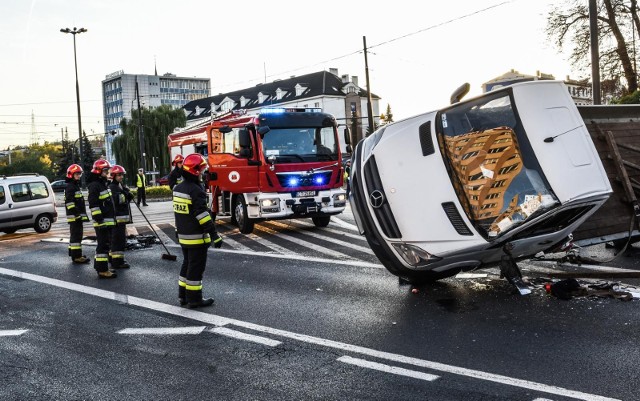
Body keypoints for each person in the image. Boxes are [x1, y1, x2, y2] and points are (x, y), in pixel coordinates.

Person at [173, 153, 222, 308]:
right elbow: (202, 216)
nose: (202, 173)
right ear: (195, 171)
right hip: (196, 237)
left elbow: (180, 213)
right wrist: (214, 235)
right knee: (196, 268)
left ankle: (183, 296)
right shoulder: (195, 190)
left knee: (187, 265)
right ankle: (194, 299)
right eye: (201, 170)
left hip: (183, 236)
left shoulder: (178, 188)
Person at [87, 159, 117, 279]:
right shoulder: (95, 186)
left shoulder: (102, 184)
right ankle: (102, 270)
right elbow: (93, 204)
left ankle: (101, 267)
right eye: (105, 171)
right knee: (103, 245)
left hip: (106, 220)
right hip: (102, 221)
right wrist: (99, 220)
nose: (107, 173)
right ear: (99, 171)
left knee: (105, 244)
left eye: (107, 171)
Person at [108, 165, 133, 269]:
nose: (121, 177)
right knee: (118, 241)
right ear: (113, 176)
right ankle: (118, 262)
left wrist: (126, 192)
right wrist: (126, 194)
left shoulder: (119, 186)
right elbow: (118, 201)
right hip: (117, 219)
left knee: (115, 240)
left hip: (120, 219)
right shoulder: (112, 187)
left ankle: (112, 258)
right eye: (119, 175)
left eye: (122, 175)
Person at [64, 164, 90, 264]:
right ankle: (77, 256)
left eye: (79, 174)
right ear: (71, 174)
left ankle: (73, 253)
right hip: (75, 217)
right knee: (77, 236)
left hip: (75, 217)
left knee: (75, 236)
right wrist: (77, 215)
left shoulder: (74, 186)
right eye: (77, 174)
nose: (79, 176)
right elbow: (69, 203)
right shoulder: (71, 187)